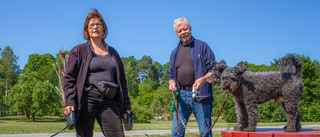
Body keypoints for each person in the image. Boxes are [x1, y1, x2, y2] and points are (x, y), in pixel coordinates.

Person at [63, 9, 131, 137]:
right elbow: (69, 78)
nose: (95, 27)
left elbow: (122, 82)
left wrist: (126, 107)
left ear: (103, 29)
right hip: (87, 98)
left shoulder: (113, 53)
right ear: (87, 30)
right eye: (91, 25)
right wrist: (70, 101)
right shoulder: (78, 51)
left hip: (109, 100)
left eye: (98, 24)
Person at [168, 17, 215, 137]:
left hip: (200, 95)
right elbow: (171, 74)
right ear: (176, 33)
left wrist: (202, 79)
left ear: (190, 28)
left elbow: (213, 70)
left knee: (205, 133)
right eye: (179, 31)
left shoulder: (202, 46)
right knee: (176, 133)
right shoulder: (174, 52)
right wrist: (171, 82)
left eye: (185, 29)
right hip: (181, 96)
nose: (183, 32)